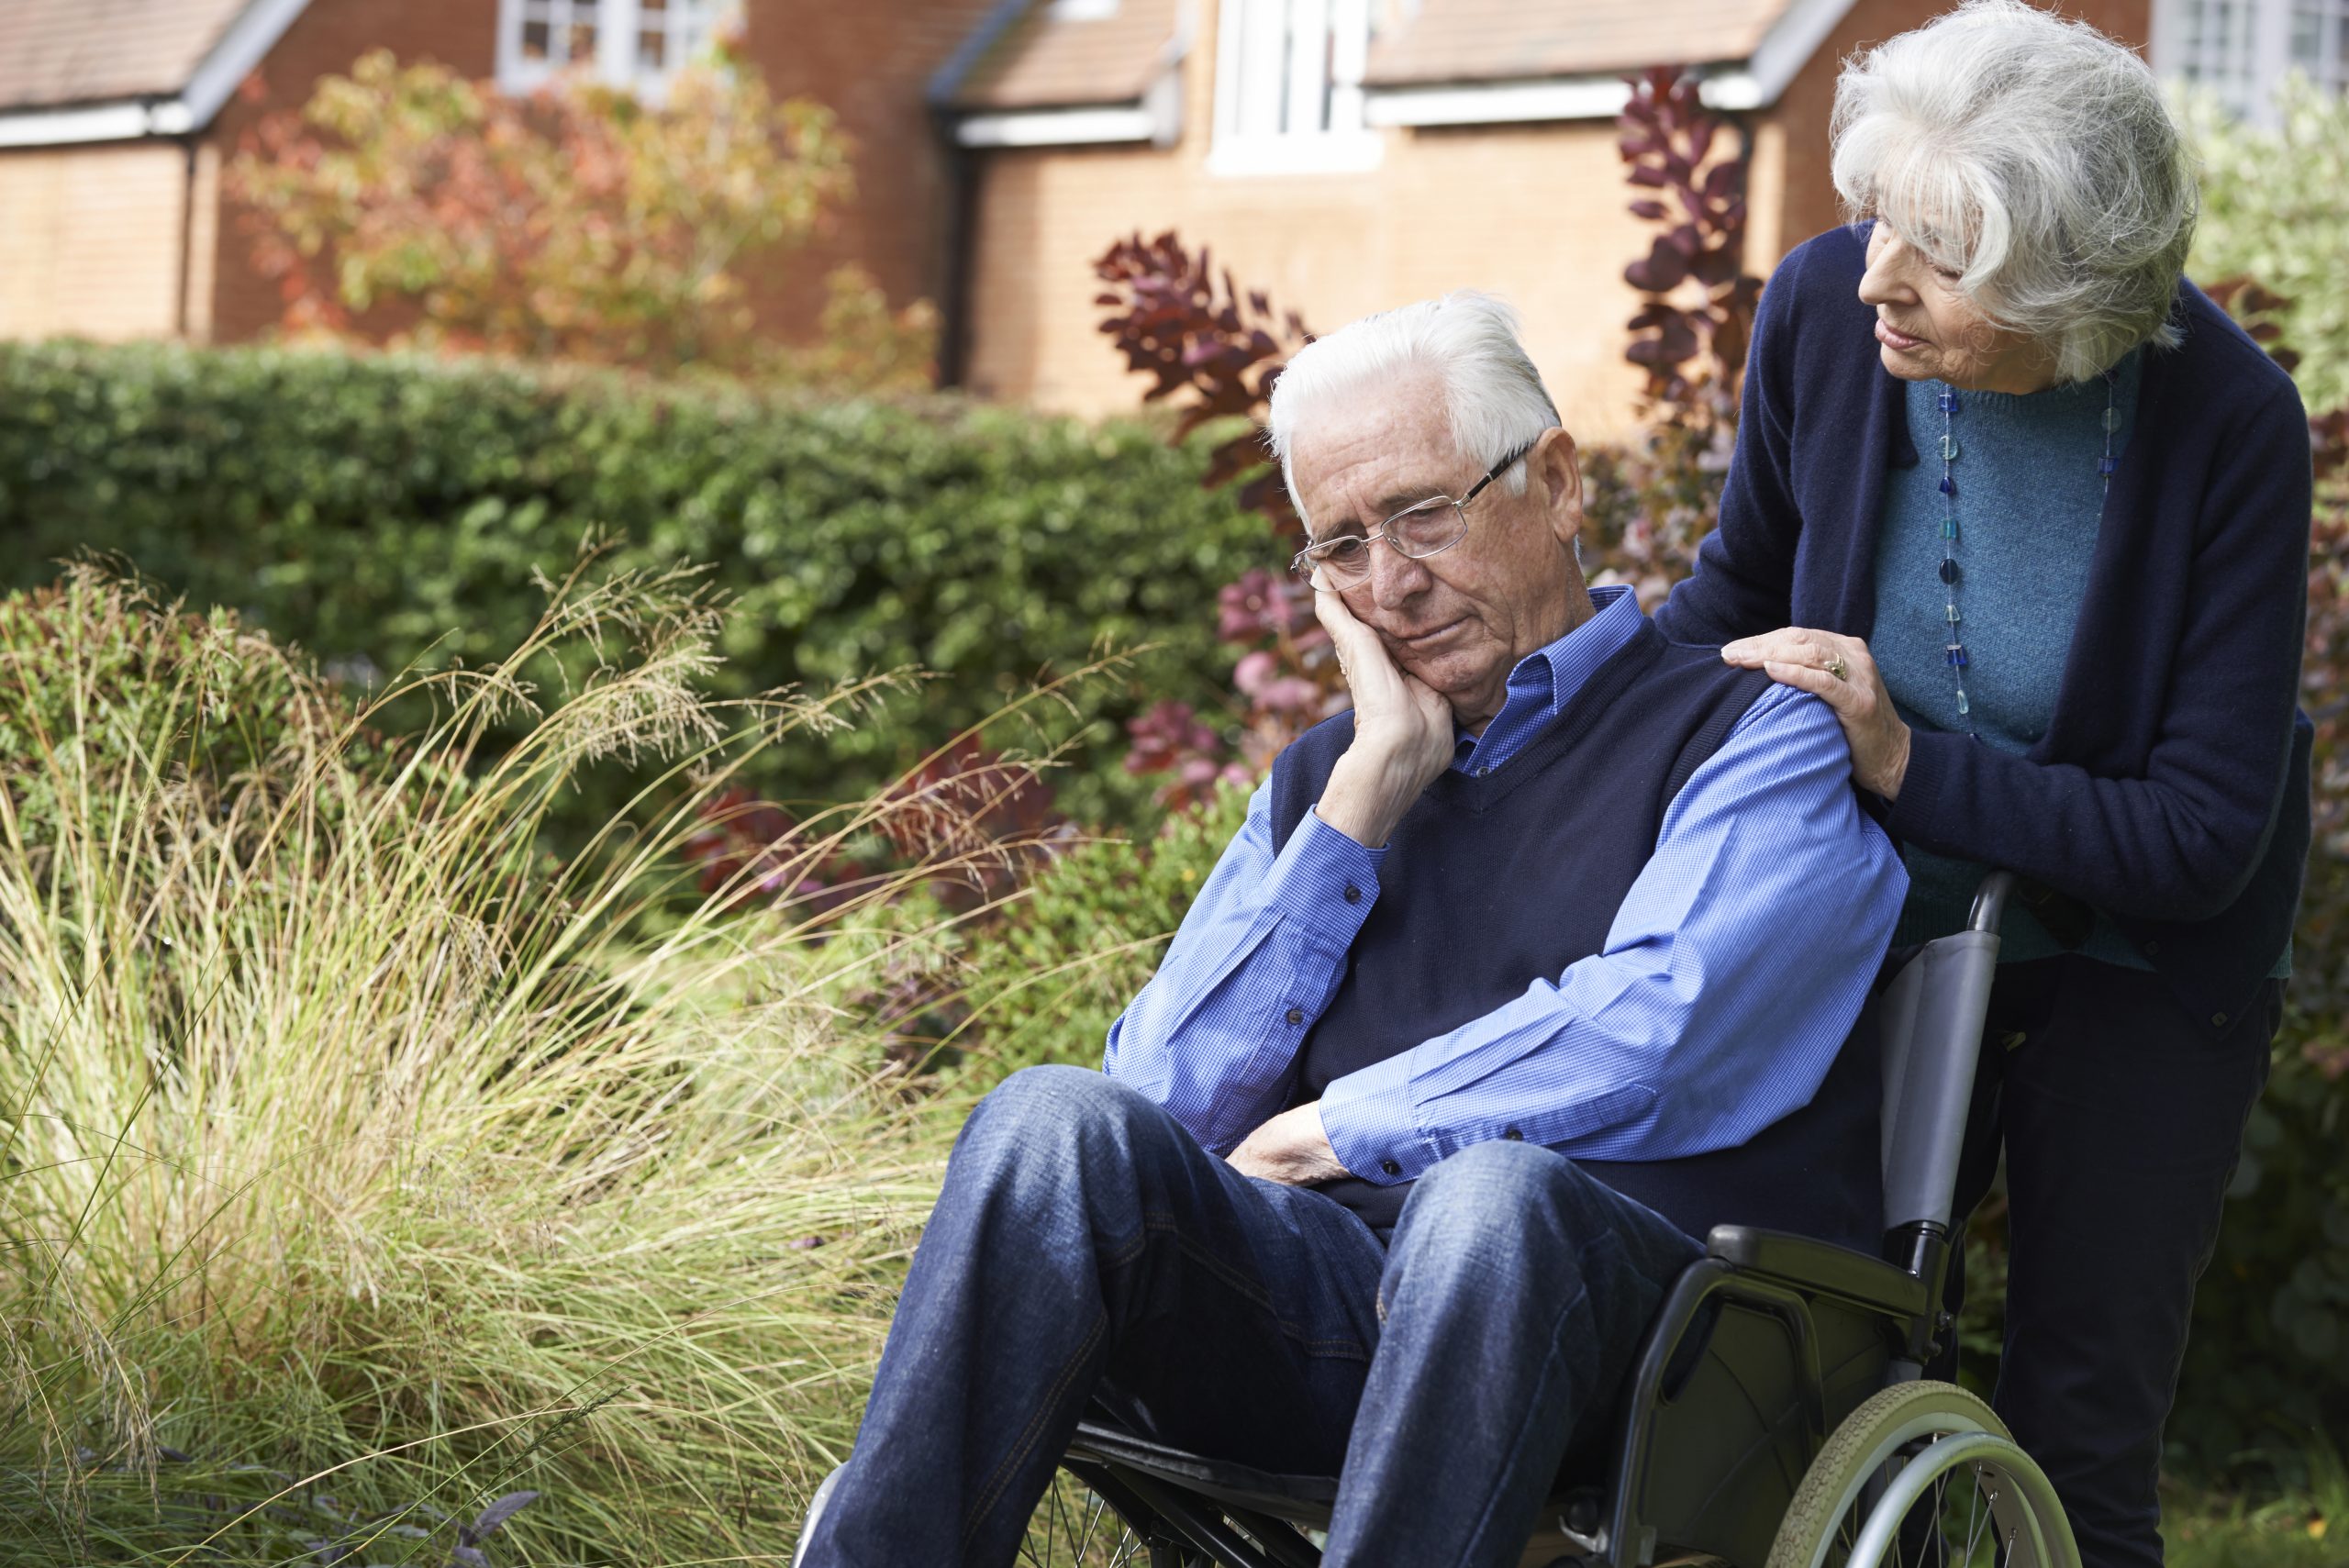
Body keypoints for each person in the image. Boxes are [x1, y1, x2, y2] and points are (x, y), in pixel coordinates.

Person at [793, 292, 1907, 1568]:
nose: (1394, 582)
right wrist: (1364, 801)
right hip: (1332, 1319)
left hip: (1663, 1353)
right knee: (1051, 1124)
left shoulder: (1746, 732)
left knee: (1488, 1200)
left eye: (1425, 514)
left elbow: (1663, 1030)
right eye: (1342, 546)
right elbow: (1159, 1101)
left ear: (1556, 482)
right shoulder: (1330, 784)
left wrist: (1342, 1126)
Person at [1651, 6, 2314, 1565]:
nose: (1877, 272)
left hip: (2139, 954)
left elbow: (2200, 836)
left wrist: (1901, 757)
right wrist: (1573, 735)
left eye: (1940, 256)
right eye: (1879, 213)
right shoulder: (1825, 309)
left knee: (2079, 1414)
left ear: (2077, 298)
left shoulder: (2228, 424)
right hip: (1874, 909)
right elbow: (1735, 591)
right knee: (1806, 1359)